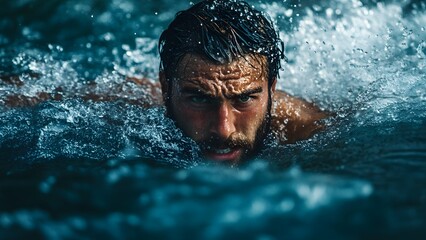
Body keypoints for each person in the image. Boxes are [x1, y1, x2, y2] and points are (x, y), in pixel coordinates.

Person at [1, 0, 329, 165]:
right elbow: (27, 93)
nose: (224, 129)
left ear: (271, 88)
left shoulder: (310, 134)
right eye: (199, 99)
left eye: (244, 99)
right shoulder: (134, 104)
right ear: (164, 86)